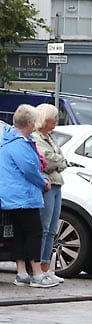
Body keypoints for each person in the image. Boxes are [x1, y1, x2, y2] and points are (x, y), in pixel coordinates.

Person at [0, 104, 58, 288]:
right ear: (30, 122)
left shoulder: (9, 141)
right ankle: (37, 273)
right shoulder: (20, 143)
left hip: (12, 196)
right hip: (24, 196)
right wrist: (43, 183)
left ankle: (22, 273)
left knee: (19, 234)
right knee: (34, 233)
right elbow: (29, 169)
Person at [32, 103, 67, 283]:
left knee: (53, 229)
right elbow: (47, 160)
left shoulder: (49, 138)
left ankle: (46, 266)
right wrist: (59, 162)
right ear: (44, 119)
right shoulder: (37, 138)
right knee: (44, 228)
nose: (56, 120)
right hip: (47, 185)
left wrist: (58, 162)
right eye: (53, 117)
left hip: (56, 184)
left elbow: (60, 159)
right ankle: (39, 268)